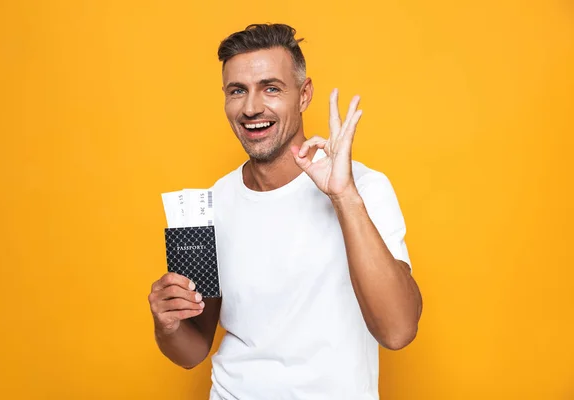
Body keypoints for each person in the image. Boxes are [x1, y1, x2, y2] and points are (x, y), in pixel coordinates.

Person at [148, 23, 423, 400]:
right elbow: (192, 349)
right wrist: (167, 325)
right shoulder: (208, 206)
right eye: (237, 91)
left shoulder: (365, 189)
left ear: (304, 94)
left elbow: (398, 330)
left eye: (271, 88)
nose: (251, 108)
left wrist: (343, 197)